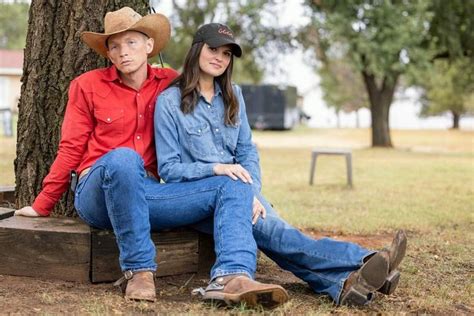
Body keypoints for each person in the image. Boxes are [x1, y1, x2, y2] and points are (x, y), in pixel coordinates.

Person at [14, 8, 288, 308]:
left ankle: (235, 277)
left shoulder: (170, 85)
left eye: (131, 43)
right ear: (108, 53)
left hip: (149, 191)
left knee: (231, 184)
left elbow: (212, 111)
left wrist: (246, 186)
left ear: (149, 46)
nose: (122, 52)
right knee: (123, 159)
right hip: (96, 190)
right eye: (114, 46)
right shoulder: (87, 85)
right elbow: (70, 148)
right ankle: (140, 271)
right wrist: (43, 204)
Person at [154, 22, 407, 306]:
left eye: (226, 54)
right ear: (196, 50)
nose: (219, 58)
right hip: (201, 198)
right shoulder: (169, 102)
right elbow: (169, 170)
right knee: (276, 233)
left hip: (242, 191)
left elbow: (247, 151)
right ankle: (366, 259)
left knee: (277, 236)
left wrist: (251, 192)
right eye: (213, 49)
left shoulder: (233, 96)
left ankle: (344, 283)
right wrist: (216, 169)